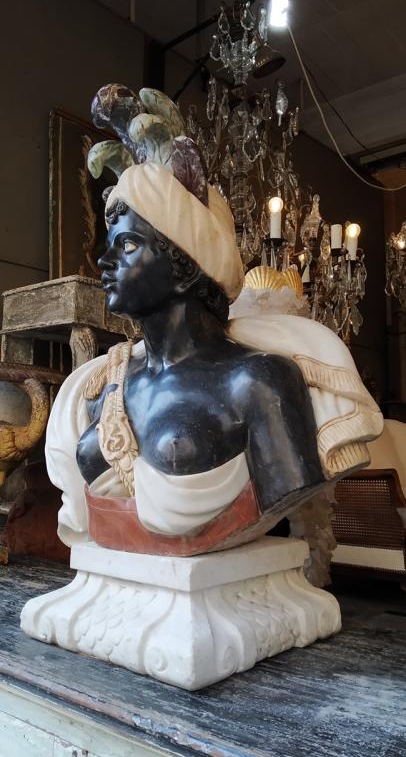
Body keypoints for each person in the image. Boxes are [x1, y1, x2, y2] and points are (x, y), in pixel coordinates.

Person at [45, 88, 383, 556]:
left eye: (127, 246)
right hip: (111, 581)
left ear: (186, 264)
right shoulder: (97, 388)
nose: (103, 262)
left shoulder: (260, 383)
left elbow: (287, 487)